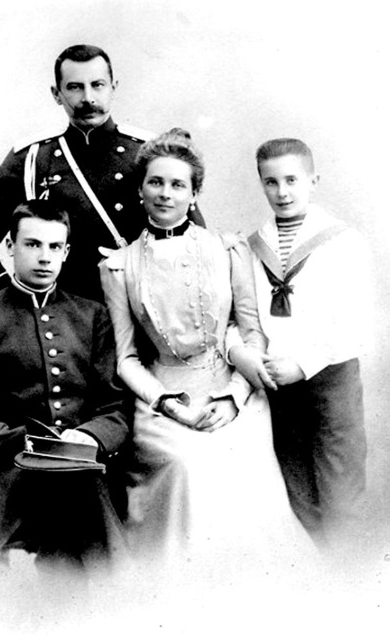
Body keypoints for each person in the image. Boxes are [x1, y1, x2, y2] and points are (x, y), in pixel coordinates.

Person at [99, 129, 315, 577]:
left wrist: (233, 396)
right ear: (140, 189)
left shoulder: (228, 249)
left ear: (194, 193)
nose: (166, 193)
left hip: (234, 392)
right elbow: (126, 358)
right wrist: (166, 403)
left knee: (236, 461)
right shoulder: (119, 266)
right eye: (156, 182)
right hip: (162, 397)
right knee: (186, 464)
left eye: (178, 185)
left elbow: (252, 334)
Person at [0, 200, 131, 572]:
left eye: (54, 246)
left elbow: (114, 410)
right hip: (10, 478)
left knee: (89, 512)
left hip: (83, 474)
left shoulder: (91, 316)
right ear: (10, 246)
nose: (44, 257)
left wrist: (89, 437)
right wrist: (36, 443)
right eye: (32, 244)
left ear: (66, 252)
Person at [0, 44, 204, 304]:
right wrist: (12, 306)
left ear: (113, 87)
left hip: (144, 310)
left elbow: (195, 238)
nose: (87, 98)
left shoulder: (148, 154)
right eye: (74, 87)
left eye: (97, 85)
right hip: (68, 317)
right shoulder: (34, 159)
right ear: (56, 94)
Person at [246, 138, 370, 546]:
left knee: (340, 487)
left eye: (292, 180)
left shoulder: (341, 241)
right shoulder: (256, 245)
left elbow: (353, 320)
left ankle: (348, 570)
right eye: (271, 182)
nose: (282, 192)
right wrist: (262, 360)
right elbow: (250, 313)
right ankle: (318, 573)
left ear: (313, 181)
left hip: (329, 376)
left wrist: (303, 363)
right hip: (279, 382)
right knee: (296, 487)